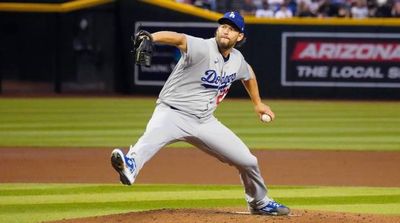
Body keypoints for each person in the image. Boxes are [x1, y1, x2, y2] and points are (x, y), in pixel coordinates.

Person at [110, 11, 290, 216]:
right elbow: (178, 38)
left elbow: (248, 74)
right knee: (149, 140)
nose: (225, 31)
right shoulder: (203, 48)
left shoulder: (237, 59)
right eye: (223, 26)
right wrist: (152, 37)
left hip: (205, 122)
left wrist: (257, 103)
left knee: (248, 161)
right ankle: (130, 166)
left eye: (232, 29)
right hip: (172, 113)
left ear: (239, 37)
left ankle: (259, 202)